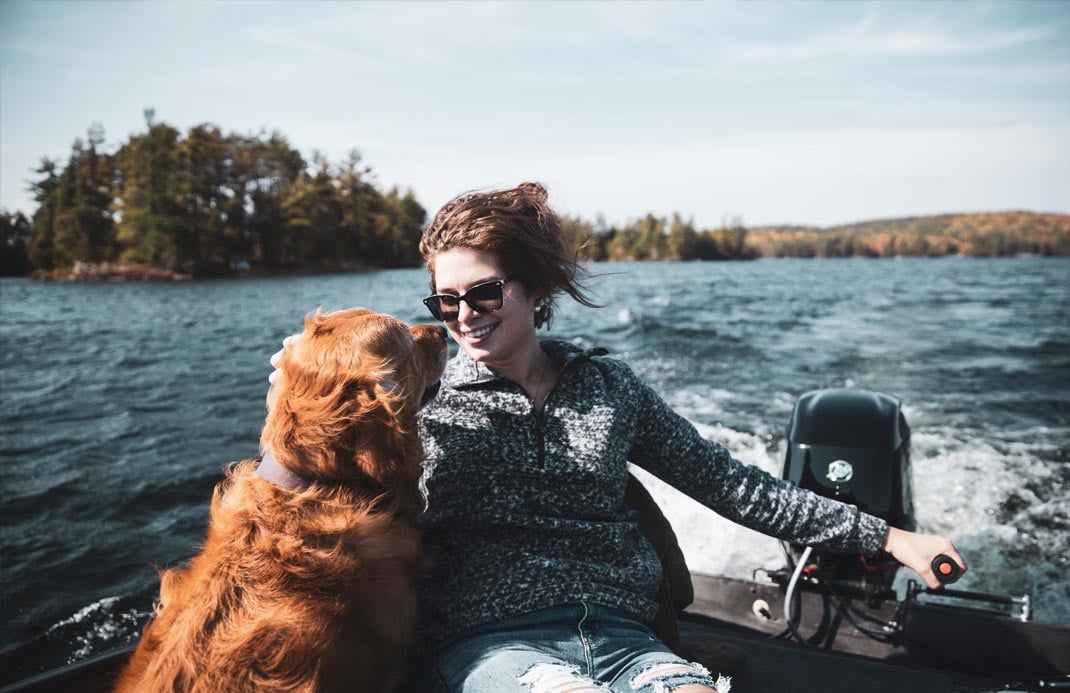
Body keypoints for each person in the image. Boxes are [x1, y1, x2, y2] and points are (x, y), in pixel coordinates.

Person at [272, 182, 966, 693]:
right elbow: (300, 492)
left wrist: (886, 537)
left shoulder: (608, 387)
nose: (463, 317)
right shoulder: (418, 401)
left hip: (627, 638)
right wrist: (287, 404)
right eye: (444, 302)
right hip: (490, 648)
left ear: (534, 286)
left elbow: (727, 482)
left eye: (481, 294)